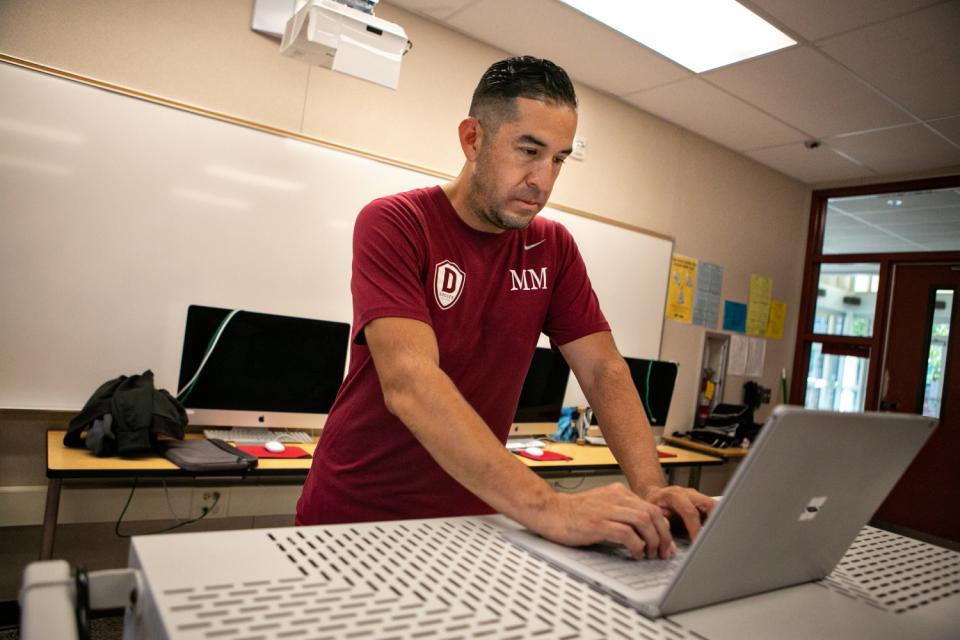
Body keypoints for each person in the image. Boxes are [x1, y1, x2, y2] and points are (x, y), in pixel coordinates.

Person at [297, 56, 715, 559]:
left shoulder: (553, 247)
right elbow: (410, 382)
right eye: (528, 150)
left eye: (558, 159)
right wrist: (549, 506)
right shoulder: (397, 223)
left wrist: (650, 488)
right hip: (355, 517)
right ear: (473, 139)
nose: (542, 179)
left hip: (475, 520)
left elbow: (603, 369)